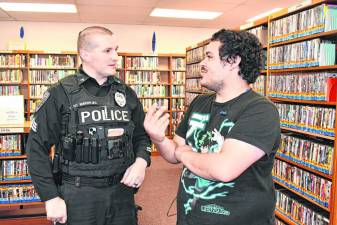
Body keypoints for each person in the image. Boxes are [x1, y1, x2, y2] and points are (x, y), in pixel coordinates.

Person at [144, 29, 281, 225]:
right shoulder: (199, 102)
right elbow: (172, 154)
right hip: (191, 216)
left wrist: (183, 153)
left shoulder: (260, 111)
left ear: (233, 61)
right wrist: (159, 139)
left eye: (209, 56)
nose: (202, 64)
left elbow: (223, 169)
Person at [26, 26, 151, 225]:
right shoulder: (60, 94)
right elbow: (36, 148)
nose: (116, 56)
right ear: (85, 54)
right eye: (108, 51)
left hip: (122, 193)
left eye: (116, 49)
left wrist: (141, 162)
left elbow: (141, 137)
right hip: (79, 196)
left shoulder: (126, 93)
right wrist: (50, 197)